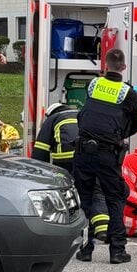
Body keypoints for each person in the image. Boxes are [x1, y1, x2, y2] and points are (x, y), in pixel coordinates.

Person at [73, 48, 137, 264]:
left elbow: (88, 113)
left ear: (105, 65)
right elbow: (136, 124)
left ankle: (85, 250)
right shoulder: (128, 92)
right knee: (115, 198)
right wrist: (119, 135)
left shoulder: (93, 85)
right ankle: (117, 251)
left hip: (83, 151)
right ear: (124, 67)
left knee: (84, 199)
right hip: (108, 153)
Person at [32, 102, 111, 246]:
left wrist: (38, 173)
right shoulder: (83, 115)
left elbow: (40, 150)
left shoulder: (53, 119)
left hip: (66, 162)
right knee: (96, 192)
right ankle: (103, 229)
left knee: (69, 193)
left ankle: (73, 228)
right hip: (93, 157)